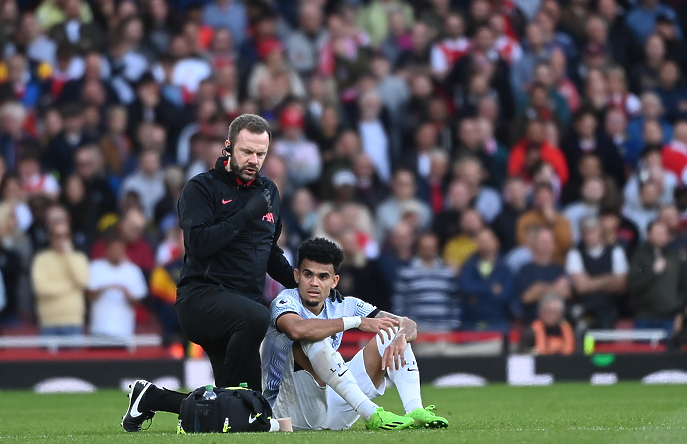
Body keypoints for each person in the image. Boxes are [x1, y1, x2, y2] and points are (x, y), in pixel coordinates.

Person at [121, 238, 449, 432]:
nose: (314, 282)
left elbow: (408, 322)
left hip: (334, 402)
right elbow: (296, 329)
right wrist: (356, 323)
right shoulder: (285, 300)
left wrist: (402, 334)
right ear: (296, 275)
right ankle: (372, 415)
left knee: (390, 335)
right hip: (289, 407)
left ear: (334, 281)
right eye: (307, 274)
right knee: (313, 341)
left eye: (323, 276)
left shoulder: (348, 303)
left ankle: (416, 409)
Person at [174, 114, 303, 395]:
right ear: (229, 147)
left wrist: (301, 281)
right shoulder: (200, 188)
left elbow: (270, 251)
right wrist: (246, 215)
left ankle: (152, 397)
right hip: (202, 299)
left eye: (260, 154)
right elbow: (199, 244)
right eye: (246, 152)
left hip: (243, 307)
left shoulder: (268, 191)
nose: (254, 160)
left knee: (245, 405)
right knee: (259, 317)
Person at [565, 216, 628, 329]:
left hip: (609, 307)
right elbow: (581, 287)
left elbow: (620, 285)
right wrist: (609, 278)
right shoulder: (575, 253)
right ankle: (589, 347)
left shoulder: (616, 251)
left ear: (600, 232)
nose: (589, 236)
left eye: (593, 231)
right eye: (586, 232)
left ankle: (600, 346)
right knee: (585, 328)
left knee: (603, 326)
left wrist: (590, 282)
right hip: (586, 307)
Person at [628, 220, 687, 331]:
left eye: (663, 234)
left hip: (670, 316)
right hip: (645, 315)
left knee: (671, 348)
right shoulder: (639, 257)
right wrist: (652, 272)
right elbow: (633, 284)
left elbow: (684, 285)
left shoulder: (675, 258)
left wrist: (678, 305)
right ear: (649, 235)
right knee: (642, 348)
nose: (660, 237)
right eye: (657, 233)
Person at [30, 222, 90, 336]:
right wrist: (71, 287)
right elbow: (40, 289)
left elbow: (83, 282)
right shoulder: (41, 259)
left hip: (74, 321)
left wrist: (69, 256)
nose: (61, 240)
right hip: (48, 322)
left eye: (65, 236)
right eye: (57, 236)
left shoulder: (79, 258)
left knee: (75, 355)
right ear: (51, 238)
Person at [86, 233, 148, 338]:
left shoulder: (133, 271)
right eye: (113, 249)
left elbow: (138, 301)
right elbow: (88, 296)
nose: (116, 252)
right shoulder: (95, 267)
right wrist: (104, 288)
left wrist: (126, 293)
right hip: (98, 330)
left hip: (124, 331)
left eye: (119, 249)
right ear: (106, 250)